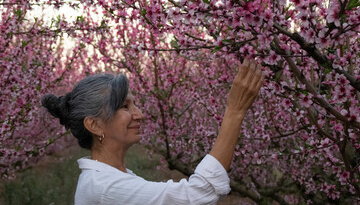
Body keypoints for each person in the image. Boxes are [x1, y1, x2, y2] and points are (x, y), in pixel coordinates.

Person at [41, 58, 264, 205]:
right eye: (125, 107)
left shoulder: (112, 178)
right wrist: (234, 112)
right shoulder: (104, 187)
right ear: (95, 125)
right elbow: (198, 194)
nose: (140, 114)